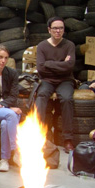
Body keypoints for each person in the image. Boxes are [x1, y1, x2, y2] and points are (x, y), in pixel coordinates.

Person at [34, 16, 76, 153]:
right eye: (55, 28)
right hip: (47, 79)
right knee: (41, 96)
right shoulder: (42, 46)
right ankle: (38, 134)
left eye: (61, 28)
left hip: (65, 80)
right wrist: (61, 64)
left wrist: (49, 63)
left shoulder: (69, 45)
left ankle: (67, 139)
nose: (58, 31)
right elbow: (40, 68)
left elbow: (69, 67)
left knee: (67, 99)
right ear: (49, 30)